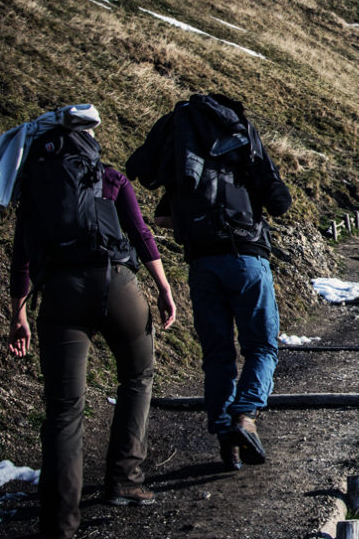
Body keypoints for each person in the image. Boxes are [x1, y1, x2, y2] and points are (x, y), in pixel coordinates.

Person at [6, 106, 176, 539]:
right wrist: (163, 287)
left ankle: (60, 523)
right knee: (137, 376)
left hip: (61, 294)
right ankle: (125, 480)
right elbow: (140, 233)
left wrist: (19, 314)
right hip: (117, 284)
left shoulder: (35, 187)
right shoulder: (109, 176)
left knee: (64, 409)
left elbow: (22, 257)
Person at [127, 93, 291, 472]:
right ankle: (245, 416)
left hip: (201, 262)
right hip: (246, 255)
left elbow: (154, 193)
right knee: (261, 345)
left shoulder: (179, 143)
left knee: (217, 353)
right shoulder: (241, 135)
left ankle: (225, 440)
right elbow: (279, 201)